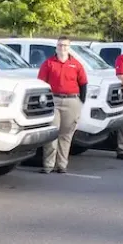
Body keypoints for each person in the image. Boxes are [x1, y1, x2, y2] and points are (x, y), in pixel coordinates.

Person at [37, 36, 87, 174]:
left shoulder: (76, 64)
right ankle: (48, 165)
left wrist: (80, 101)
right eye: (60, 45)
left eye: (65, 45)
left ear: (69, 47)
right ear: (56, 47)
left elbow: (83, 83)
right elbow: (41, 84)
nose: (62, 48)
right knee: (52, 132)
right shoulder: (48, 63)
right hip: (54, 100)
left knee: (66, 134)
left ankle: (62, 165)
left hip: (71, 100)